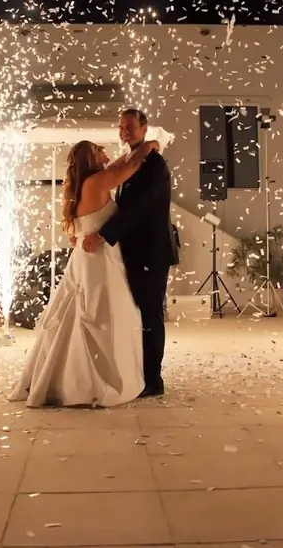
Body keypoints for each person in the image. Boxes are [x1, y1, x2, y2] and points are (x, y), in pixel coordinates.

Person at [10, 133, 161, 407]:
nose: (106, 152)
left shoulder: (81, 184)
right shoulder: (98, 181)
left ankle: (61, 377)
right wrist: (147, 147)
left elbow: (116, 165)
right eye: (99, 150)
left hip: (84, 256)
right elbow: (130, 166)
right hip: (99, 260)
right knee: (105, 316)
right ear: (92, 159)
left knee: (80, 313)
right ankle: (93, 381)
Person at [82, 109, 173, 398]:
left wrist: (105, 233)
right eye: (121, 127)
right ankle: (138, 375)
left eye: (130, 127)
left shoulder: (153, 164)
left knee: (150, 317)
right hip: (132, 252)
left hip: (150, 252)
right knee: (137, 317)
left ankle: (153, 381)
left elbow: (140, 207)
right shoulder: (136, 160)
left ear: (144, 128)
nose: (124, 132)